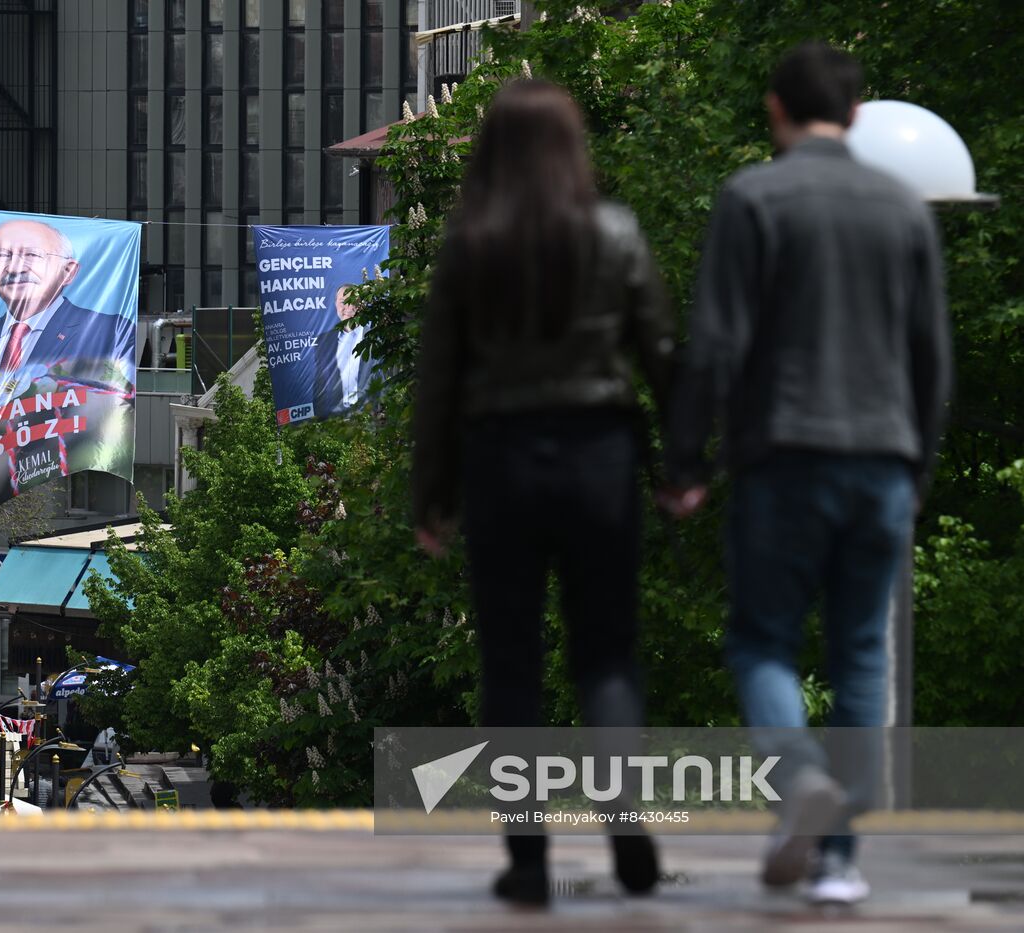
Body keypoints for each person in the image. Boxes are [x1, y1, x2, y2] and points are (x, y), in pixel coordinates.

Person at [662, 42, 952, 905]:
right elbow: (932, 355)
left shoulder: (753, 196)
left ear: (775, 111)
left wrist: (686, 462)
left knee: (762, 640)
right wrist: (918, 468)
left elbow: (714, 346)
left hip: (784, 456)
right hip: (883, 461)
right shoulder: (903, 207)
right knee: (862, 651)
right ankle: (839, 861)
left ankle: (796, 782)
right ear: (857, 116)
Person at [413, 79, 675, 907]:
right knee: (607, 650)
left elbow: (439, 380)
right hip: (600, 455)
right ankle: (623, 809)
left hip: (501, 460)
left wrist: (433, 495)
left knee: (510, 660)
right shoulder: (617, 232)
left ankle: (527, 857)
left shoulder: (470, 242)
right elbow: (661, 350)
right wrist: (682, 465)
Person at [0, 218, 125, 405]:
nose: (15, 268)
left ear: (68, 272)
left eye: (32, 254)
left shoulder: (109, 332)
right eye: (1, 256)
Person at [314, 284, 377, 417]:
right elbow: (320, 380)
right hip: (334, 419)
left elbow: (382, 378)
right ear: (335, 304)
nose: (348, 308)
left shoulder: (375, 338)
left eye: (353, 302)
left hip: (367, 416)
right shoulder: (323, 341)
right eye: (343, 302)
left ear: (360, 305)